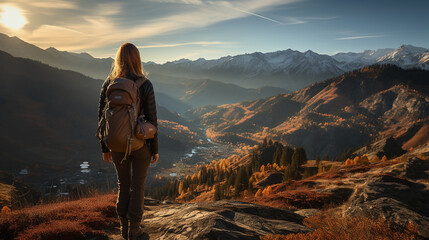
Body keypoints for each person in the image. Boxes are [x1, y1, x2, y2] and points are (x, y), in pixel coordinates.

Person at [98, 42, 158, 239]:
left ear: (118, 59)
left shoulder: (109, 84)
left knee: (123, 184)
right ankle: (135, 230)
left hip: (116, 144)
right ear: (138, 59)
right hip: (140, 144)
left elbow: (102, 118)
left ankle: (123, 229)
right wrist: (154, 149)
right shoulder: (145, 84)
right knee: (138, 186)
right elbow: (152, 118)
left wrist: (105, 146)